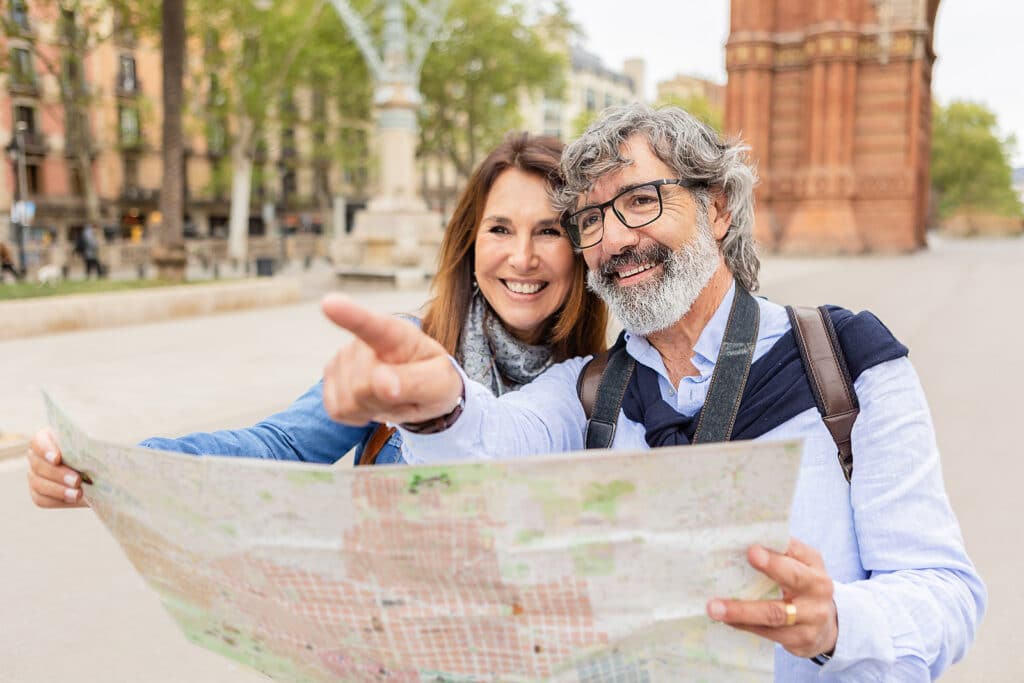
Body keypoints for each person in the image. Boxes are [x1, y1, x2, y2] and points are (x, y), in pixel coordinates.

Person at [315, 105, 986, 680]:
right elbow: (490, 441)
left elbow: (948, 594)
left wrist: (840, 619)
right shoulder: (587, 392)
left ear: (717, 207)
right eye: (591, 219)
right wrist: (438, 406)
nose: (615, 240)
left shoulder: (845, 362)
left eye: (640, 201)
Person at [26, 132, 608, 508]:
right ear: (469, 242)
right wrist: (113, 466)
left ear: (582, 247)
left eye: (550, 231)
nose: (522, 257)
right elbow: (278, 446)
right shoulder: (405, 350)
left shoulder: (603, 386)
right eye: (500, 229)